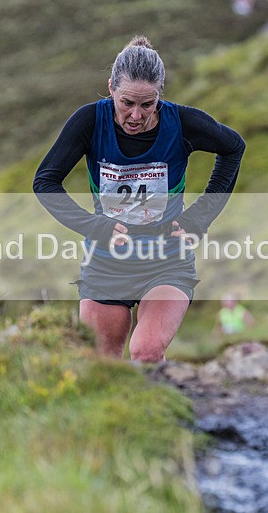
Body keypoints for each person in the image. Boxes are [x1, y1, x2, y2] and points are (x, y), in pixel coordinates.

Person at [33, 36, 245, 363]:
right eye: (127, 102)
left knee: (145, 351)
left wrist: (199, 218)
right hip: (106, 263)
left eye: (148, 104)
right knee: (102, 363)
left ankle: (161, 405)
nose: (136, 115)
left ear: (160, 94)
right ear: (111, 89)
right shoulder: (90, 122)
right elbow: (45, 181)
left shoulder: (181, 123)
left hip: (166, 260)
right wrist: (95, 227)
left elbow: (233, 147)